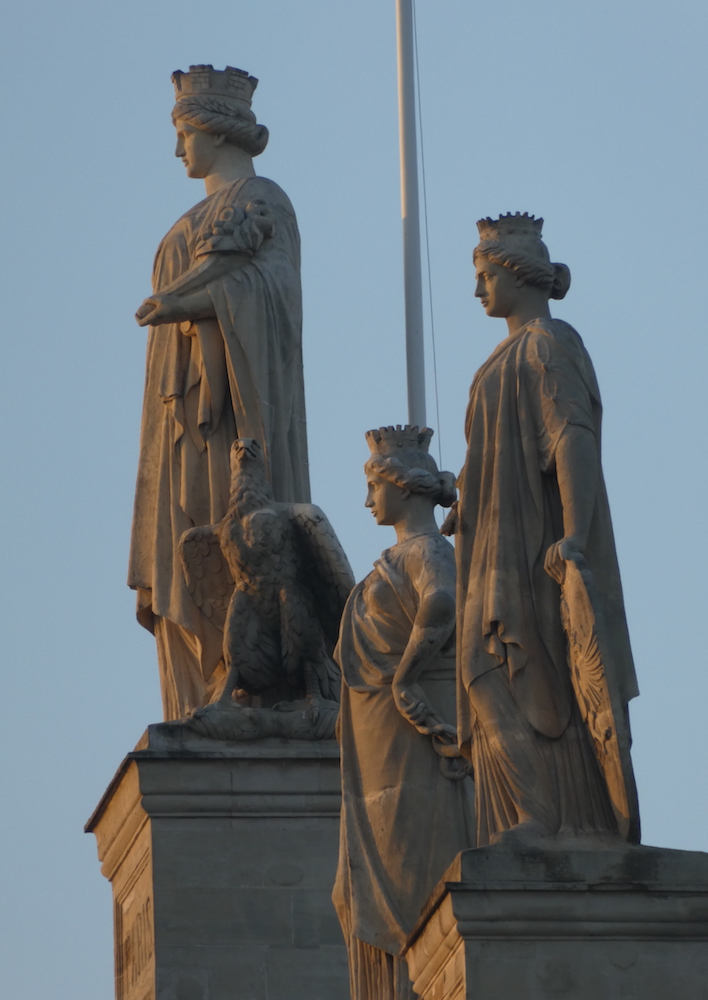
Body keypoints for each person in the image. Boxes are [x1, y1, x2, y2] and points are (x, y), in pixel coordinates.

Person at [448, 212, 639, 845]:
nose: (478, 292)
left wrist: (576, 535)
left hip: (534, 545)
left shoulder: (548, 344)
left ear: (517, 275)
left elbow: (572, 439)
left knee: (517, 670)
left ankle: (550, 816)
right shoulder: (493, 363)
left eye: (484, 276)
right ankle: (525, 815)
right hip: (490, 546)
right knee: (482, 667)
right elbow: (490, 462)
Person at [128, 65, 309, 720]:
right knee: (185, 537)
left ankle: (247, 678)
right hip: (182, 423)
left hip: (237, 416)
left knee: (236, 533)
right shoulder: (187, 222)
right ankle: (197, 691)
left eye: (183, 133)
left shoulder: (264, 199)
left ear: (213, 130)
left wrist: (191, 304)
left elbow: (277, 300)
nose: (179, 150)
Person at [333, 425, 475, 1000]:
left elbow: (441, 602)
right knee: (359, 886)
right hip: (374, 753)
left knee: (416, 870)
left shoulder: (427, 550)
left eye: (373, 486)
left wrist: (407, 676)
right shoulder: (393, 559)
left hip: (412, 748)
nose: (368, 501)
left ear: (405, 487)